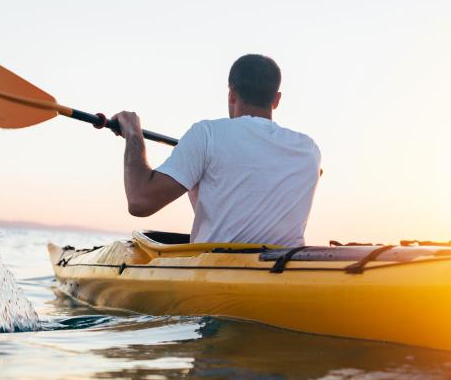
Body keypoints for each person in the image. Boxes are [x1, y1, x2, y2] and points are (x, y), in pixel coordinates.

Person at [111, 54, 321, 246]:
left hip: (218, 272)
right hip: (282, 273)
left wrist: (133, 135)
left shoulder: (207, 134)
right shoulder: (309, 151)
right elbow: (236, 215)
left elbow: (140, 202)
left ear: (231, 94)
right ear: (276, 100)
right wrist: (198, 183)